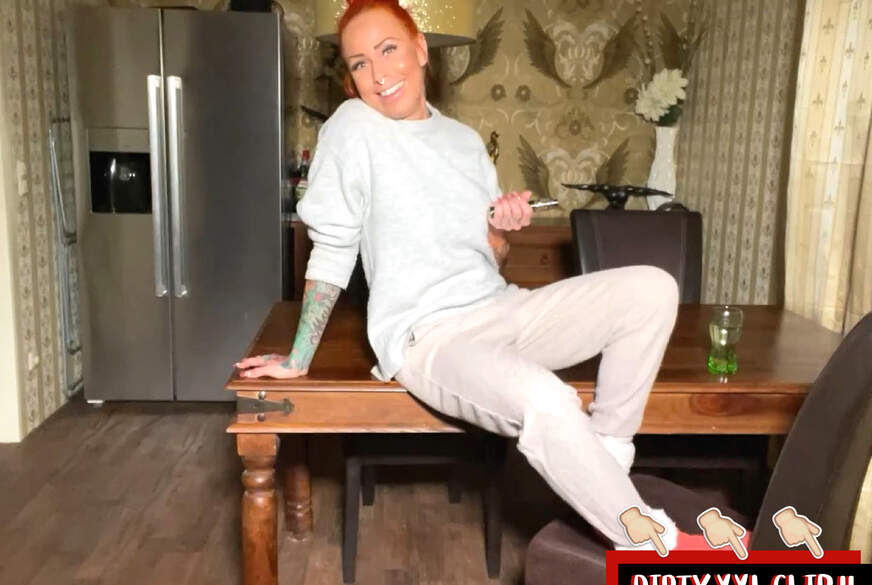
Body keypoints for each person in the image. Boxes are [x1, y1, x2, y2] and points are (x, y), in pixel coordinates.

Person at [236, 0, 688, 554]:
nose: (378, 74)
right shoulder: (353, 127)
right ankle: (655, 545)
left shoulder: (465, 142)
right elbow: (332, 247)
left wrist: (501, 228)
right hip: (430, 336)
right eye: (359, 63)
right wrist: (299, 357)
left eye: (388, 49)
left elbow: (491, 257)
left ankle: (609, 457)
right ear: (350, 79)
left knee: (652, 288)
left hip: (502, 308)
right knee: (547, 399)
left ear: (420, 49)